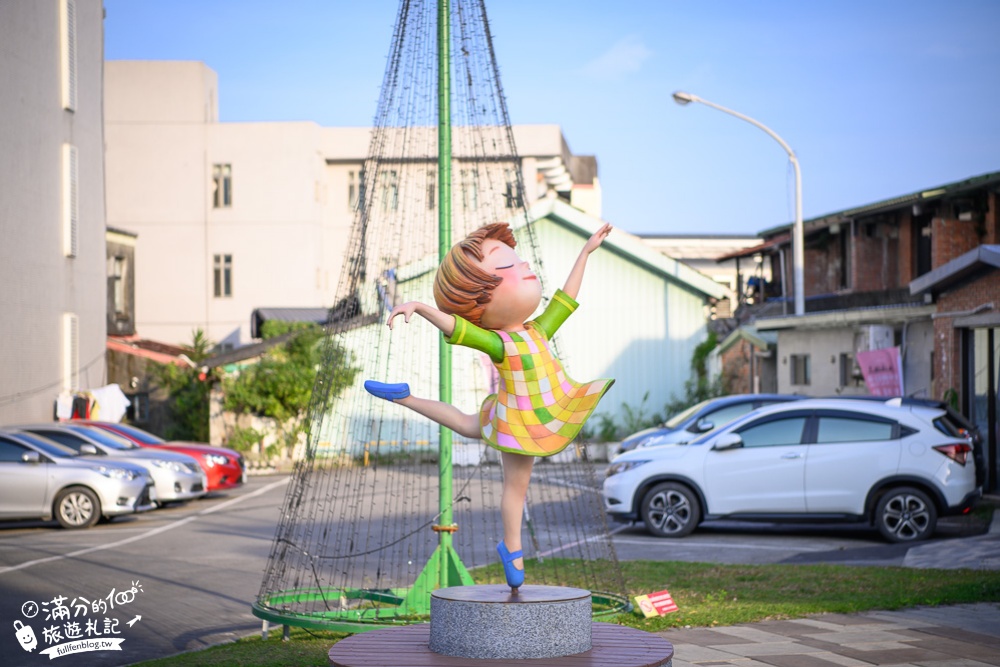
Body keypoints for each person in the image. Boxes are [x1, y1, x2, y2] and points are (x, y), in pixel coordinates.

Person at [364, 221, 614, 590]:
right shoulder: (498, 343)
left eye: (519, 260)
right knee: (516, 486)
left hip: (538, 408)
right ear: (479, 297)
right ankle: (511, 547)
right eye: (506, 266)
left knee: (469, 425)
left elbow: (567, 296)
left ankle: (406, 397)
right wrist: (419, 306)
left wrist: (585, 252)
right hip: (519, 419)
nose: (525, 265)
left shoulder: (538, 329)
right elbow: (455, 328)